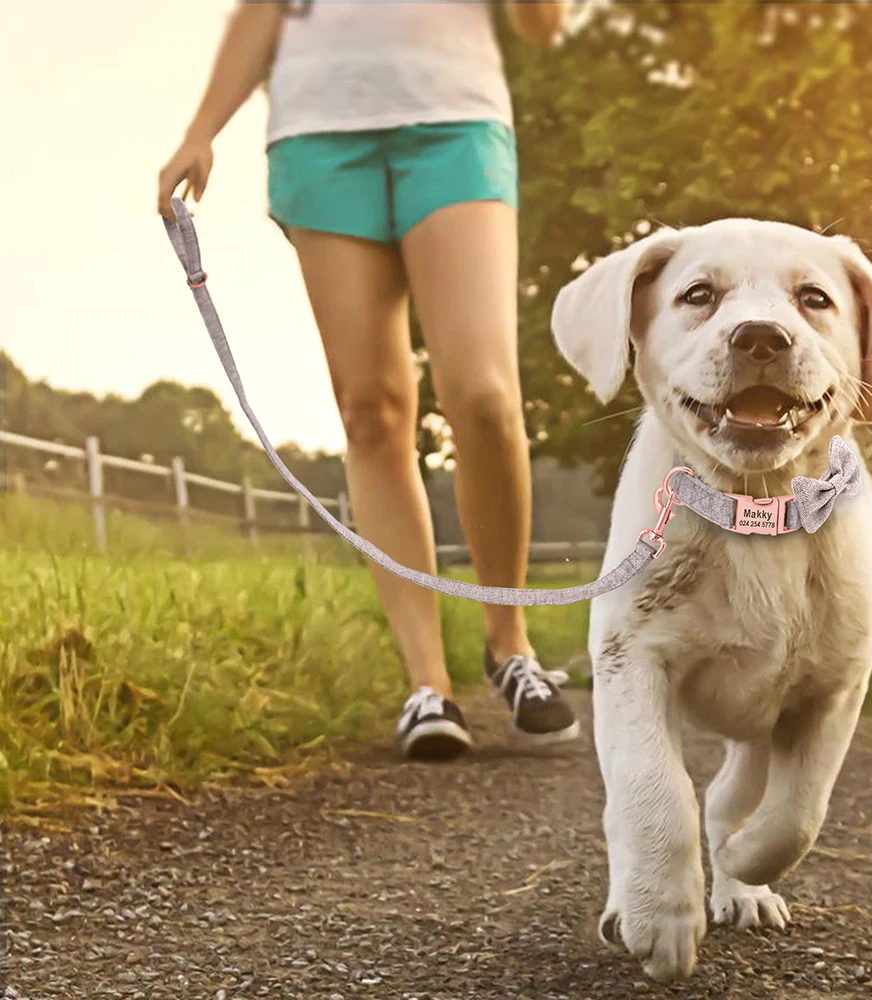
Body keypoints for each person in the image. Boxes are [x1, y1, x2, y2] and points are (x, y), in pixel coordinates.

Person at [158, 0, 578, 759]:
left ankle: (509, 644)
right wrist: (201, 129)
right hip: (317, 135)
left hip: (456, 121)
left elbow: (543, 27)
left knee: (483, 396)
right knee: (371, 410)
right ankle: (427, 685)